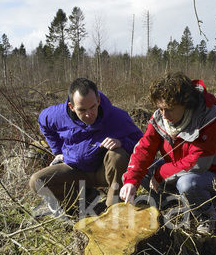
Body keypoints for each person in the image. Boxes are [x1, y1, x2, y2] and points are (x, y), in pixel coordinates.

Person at [119, 72, 216, 234]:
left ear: (186, 104)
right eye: (160, 109)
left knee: (187, 183)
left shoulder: (210, 117)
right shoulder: (160, 118)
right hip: (179, 171)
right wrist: (131, 180)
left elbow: (198, 162)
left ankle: (206, 216)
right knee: (141, 172)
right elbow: (144, 149)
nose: (164, 115)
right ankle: (166, 207)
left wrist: (161, 174)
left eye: (169, 110)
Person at [30, 78, 143, 218]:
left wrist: (122, 143)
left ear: (98, 101)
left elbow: (142, 143)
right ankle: (80, 210)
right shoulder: (56, 115)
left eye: (93, 107)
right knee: (37, 181)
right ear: (71, 107)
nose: (89, 114)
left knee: (118, 156)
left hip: (104, 171)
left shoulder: (117, 117)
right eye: (82, 110)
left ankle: (115, 209)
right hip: (74, 169)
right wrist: (58, 151)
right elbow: (43, 122)